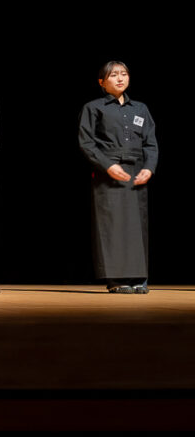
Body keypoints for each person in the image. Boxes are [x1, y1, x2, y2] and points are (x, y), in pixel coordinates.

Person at [78, 61, 158, 293]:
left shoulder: (140, 109)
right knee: (112, 224)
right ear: (102, 82)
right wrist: (107, 165)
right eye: (113, 75)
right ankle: (117, 278)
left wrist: (149, 168)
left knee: (137, 225)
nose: (120, 78)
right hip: (109, 172)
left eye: (124, 74)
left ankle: (139, 276)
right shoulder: (94, 107)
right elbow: (86, 142)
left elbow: (150, 143)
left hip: (136, 171)